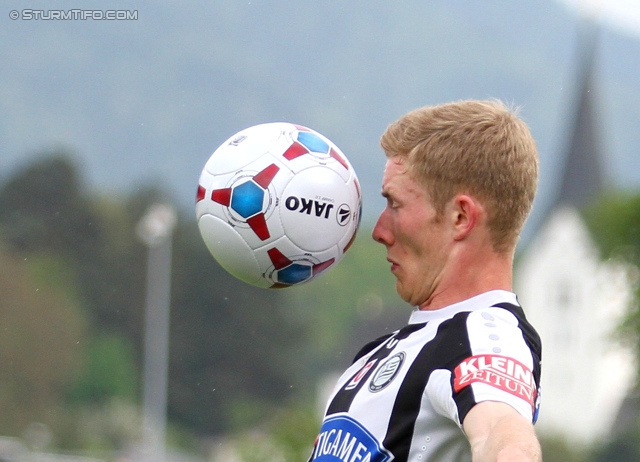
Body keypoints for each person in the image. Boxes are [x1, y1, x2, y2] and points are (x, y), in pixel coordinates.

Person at [309, 100, 542, 462]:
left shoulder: (484, 333)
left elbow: (505, 438)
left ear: (460, 217)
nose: (379, 231)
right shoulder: (377, 355)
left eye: (394, 204)